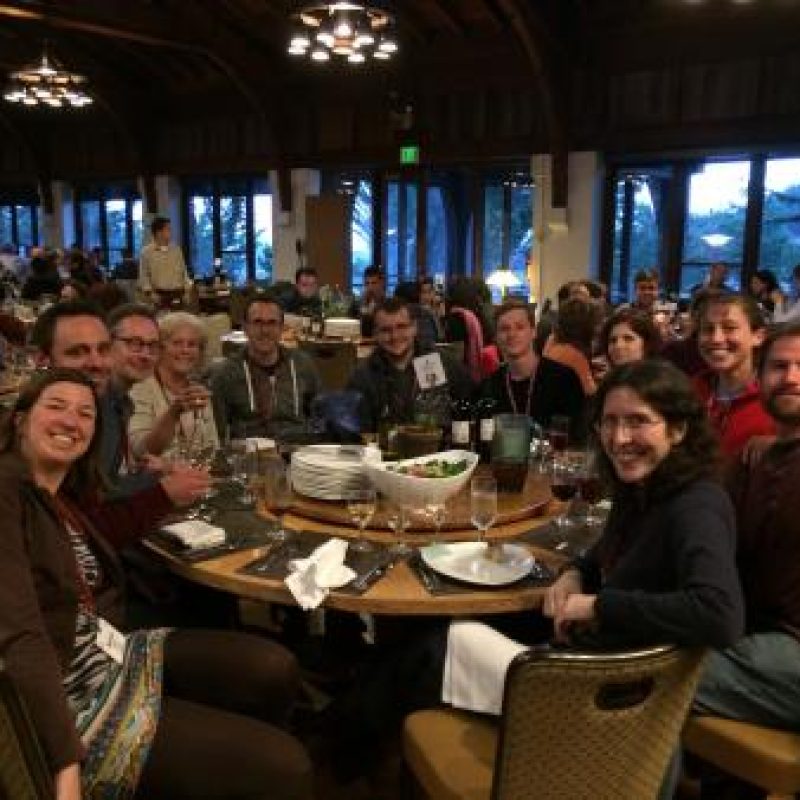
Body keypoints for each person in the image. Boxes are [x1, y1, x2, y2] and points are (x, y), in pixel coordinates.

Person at [323, 359, 744, 786]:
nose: (619, 438)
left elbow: (720, 614)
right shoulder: (644, 488)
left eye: (638, 422)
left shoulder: (697, 505)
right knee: (437, 630)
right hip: (592, 658)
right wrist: (575, 572)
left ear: (678, 429)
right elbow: (609, 550)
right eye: (610, 422)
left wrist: (599, 605)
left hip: (606, 692)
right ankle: (363, 743)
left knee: (429, 651)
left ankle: (337, 757)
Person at [0, 368, 312, 800]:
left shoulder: (59, 492)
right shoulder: (5, 490)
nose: (71, 420)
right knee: (287, 768)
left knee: (273, 668)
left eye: (86, 414)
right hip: (68, 697)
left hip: (109, 652)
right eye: (56, 407)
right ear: (20, 419)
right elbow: (21, 635)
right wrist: (64, 761)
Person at [691, 321, 800, 742]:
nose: (791, 377)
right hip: (751, 634)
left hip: (788, 651)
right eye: (779, 366)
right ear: (760, 376)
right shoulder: (753, 460)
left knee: (650, 674)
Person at [347, 297, 472, 433]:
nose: (395, 336)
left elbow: (470, 406)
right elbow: (359, 433)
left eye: (401, 327)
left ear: (414, 327)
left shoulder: (444, 363)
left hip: (441, 444)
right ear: (375, 334)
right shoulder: (363, 377)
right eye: (385, 330)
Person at [211, 296, 321, 441]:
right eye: (257, 322)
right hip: (249, 450)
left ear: (281, 328)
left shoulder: (302, 364)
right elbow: (217, 431)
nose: (265, 330)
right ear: (245, 328)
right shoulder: (226, 373)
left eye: (272, 323)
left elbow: (319, 417)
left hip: (297, 448)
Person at [477, 300, 588, 442]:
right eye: (504, 329)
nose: (512, 334)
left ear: (533, 332)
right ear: (496, 338)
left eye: (520, 327)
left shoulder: (564, 379)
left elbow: (579, 438)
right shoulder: (488, 387)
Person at [693, 293, 775, 459]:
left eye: (729, 328)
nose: (716, 339)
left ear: (758, 336)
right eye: (708, 329)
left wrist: (786, 444)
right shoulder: (689, 392)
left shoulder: (779, 396)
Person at [129, 311, 219, 460]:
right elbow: (140, 451)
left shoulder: (199, 392)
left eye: (192, 345)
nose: (185, 350)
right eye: (177, 343)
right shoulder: (140, 389)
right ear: (160, 348)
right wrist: (174, 412)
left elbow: (213, 448)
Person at [542, 297, 603, 396]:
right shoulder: (573, 355)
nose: (599, 329)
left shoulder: (555, 343)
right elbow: (592, 394)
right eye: (597, 324)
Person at [593, 307, 662, 382]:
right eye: (613, 340)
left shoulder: (662, 382)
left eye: (628, 339)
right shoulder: (603, 381)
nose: (618, 346)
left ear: (647, 344)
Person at [138, 216, 191, 309]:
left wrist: (187, 291)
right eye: (168, 229)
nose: (171, 232)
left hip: (178, 293)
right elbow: (144, 276)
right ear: (159, 233)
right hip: (159, 295)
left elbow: (184, 272)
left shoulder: (176, 250)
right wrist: (151, 294)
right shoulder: (146, 252)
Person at [355, 265, 386, 337]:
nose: (370, 287)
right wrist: (364, 304)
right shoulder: (357, 304)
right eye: (367, 283)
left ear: (381, 283)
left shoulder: (387, 303)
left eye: (374, 283)